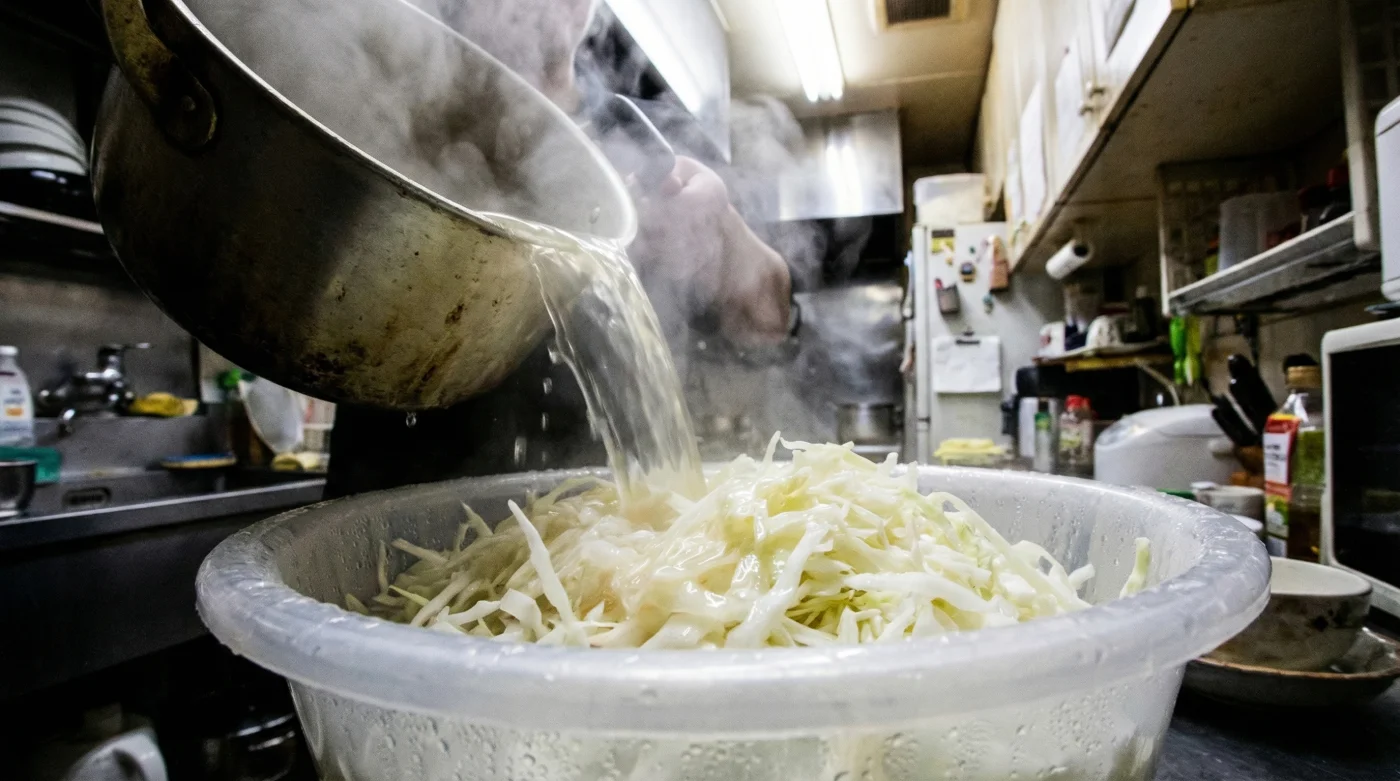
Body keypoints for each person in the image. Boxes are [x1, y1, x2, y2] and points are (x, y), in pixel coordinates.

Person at [324, 0, 793, 498]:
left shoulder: (648, 139)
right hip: (387, 517)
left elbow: (769, 321)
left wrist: (725, 233)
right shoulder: (389, 109)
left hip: (616, 522)